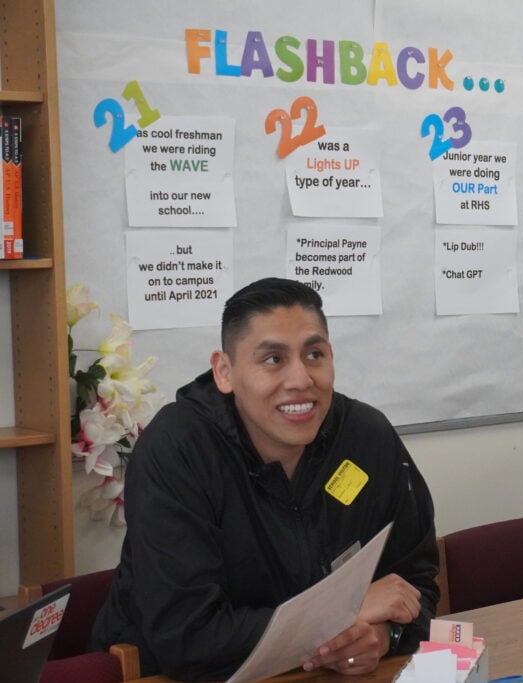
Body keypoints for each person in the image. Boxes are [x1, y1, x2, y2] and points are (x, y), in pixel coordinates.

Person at [92, 278, 439, 680]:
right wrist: (337, 619)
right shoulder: (176, 450)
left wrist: (381, 634)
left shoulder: (367, 437)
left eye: (314, 354)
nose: (300, 379)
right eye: (273, 359)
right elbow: (186, 639)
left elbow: (414, 587)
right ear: (224, 372)